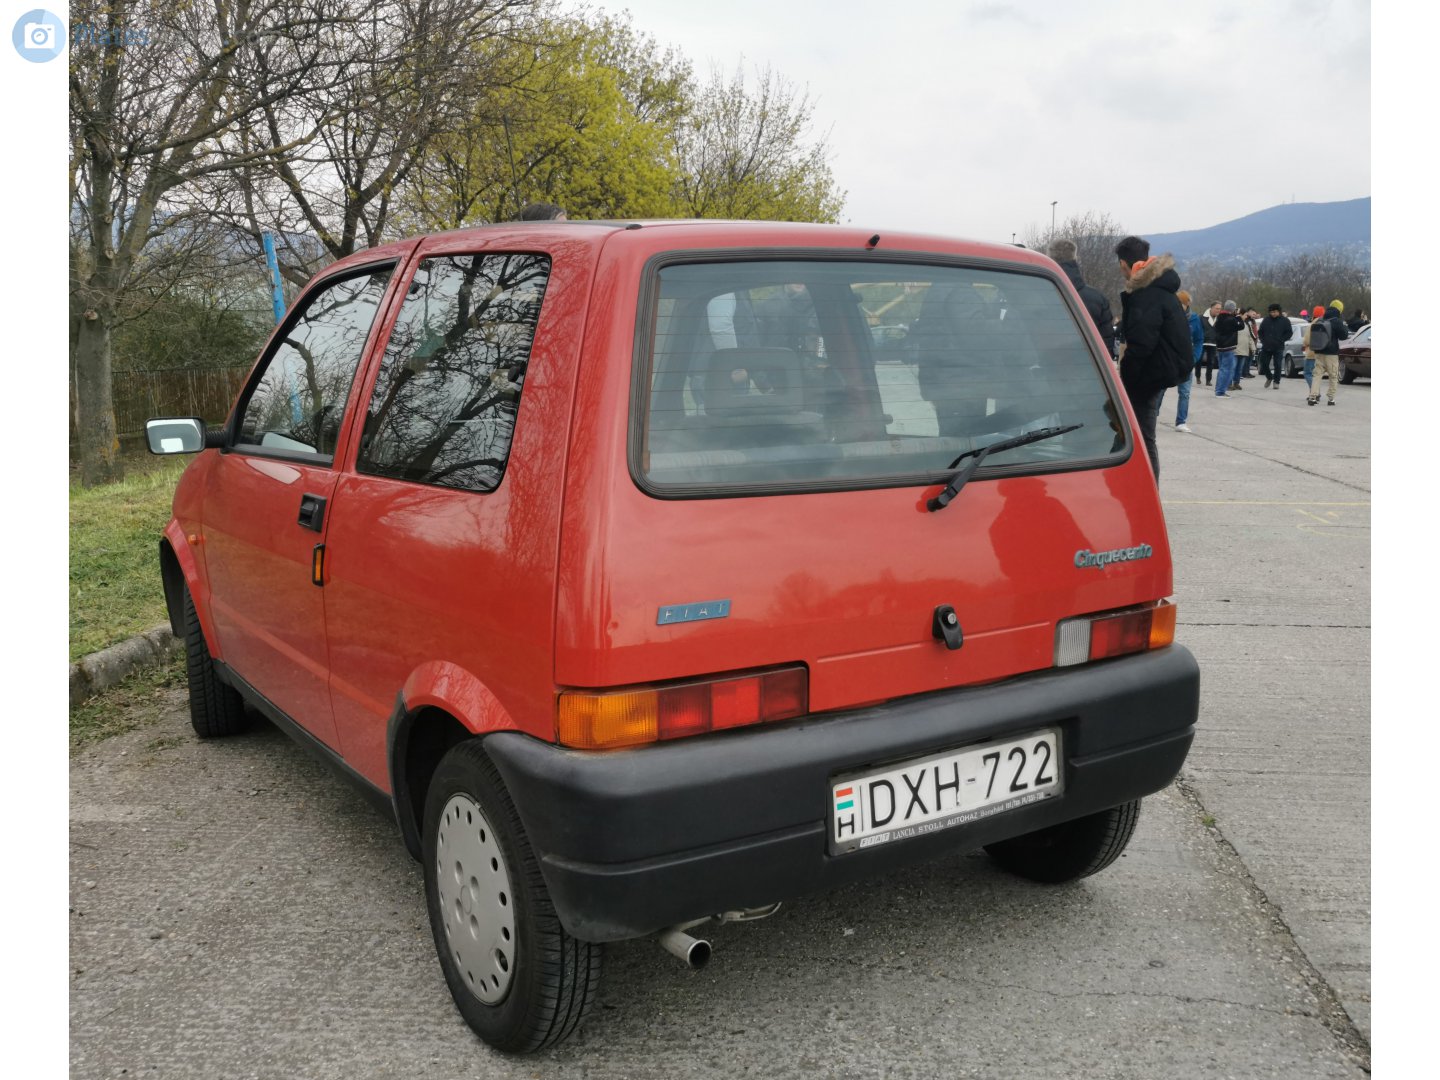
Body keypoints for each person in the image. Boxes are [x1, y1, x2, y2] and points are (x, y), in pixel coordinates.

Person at [1114, 235, 1190, 480]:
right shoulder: (1160, 288)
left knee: (1142, 439)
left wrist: (1127, 376)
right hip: (1160, 372)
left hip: (1148, 375)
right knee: (1139, 436)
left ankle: (1147, 495)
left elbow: (1142, 343)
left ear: (1124, 264)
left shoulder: (1145, 294)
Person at [1047, 238, 1116, 358]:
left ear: (1049, 258)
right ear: (1074, 258)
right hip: (1089, 370)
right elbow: (1107, 344)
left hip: (1048, 368)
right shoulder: (1098, 299)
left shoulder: (1039, 296)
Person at [1307, 299, 1350, 406]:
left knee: (1317, 375)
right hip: (1331, 353)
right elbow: (1344, 336)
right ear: (1340, 309)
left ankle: (1312, 396)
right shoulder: (1336, 321)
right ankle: (1331, 398)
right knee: (1333, 375)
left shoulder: (1321, 319)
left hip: (1319, 351)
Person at [1171, 290, 1202, 432]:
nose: (1180, 306)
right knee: (1160, 391)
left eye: (1182, 304)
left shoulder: (1195, 319)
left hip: (1187, 361)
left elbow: (1199, 340)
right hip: (1169, 360)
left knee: (1184, 392)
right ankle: (1154, 415)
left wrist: (1195, 356)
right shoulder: (1170, 316)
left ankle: (1181, 421)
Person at [1211, 301, 1246, 396]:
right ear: (1232, 309)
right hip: (1228, 347)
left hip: (1220, 347)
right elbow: (1241, 326)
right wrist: (1238, 316)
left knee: (1222, 369)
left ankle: (1218, 389)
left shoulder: (1220, 318)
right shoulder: (1231, 319)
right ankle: (1220, 392)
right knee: (1227, 370)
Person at [1257, 303, 1293, 388]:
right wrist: (1263, 340)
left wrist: (1282, 339)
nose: (1273, 314)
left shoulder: (1284, 321)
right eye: (1272, 312)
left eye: (1275, 312)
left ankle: (1276, 381)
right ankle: (1269, 377)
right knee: (1264, 363)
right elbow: (1260, 331)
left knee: (1278, 364)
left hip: (1278, 346)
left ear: (1279, 312)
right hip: (1266, 346)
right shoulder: (1266, 320)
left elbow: (1289, 332)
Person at [1199, 301, 1220, 385]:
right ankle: (1197, 376)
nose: (1218, 310)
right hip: (1202, 342)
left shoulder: (1219, 319)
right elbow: (1198, 329)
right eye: (1216, 308)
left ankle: (1208, 380)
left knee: (1211, 362)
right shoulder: (1201, 317)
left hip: (1213, 343)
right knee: (1199, 361)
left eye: (1219, 309)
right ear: (1211, 308)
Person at [1235, 306, 1258, 379]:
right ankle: (1242, 374)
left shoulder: (1249, 323)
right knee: (1238, 364)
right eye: (1245, 315)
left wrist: (1254, 345)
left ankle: (1242, 376)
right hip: (1239, 347)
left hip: (1247, 345)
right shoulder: (1241, 322)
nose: (1246, 316)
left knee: (1244, 363)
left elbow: (1251, 333)